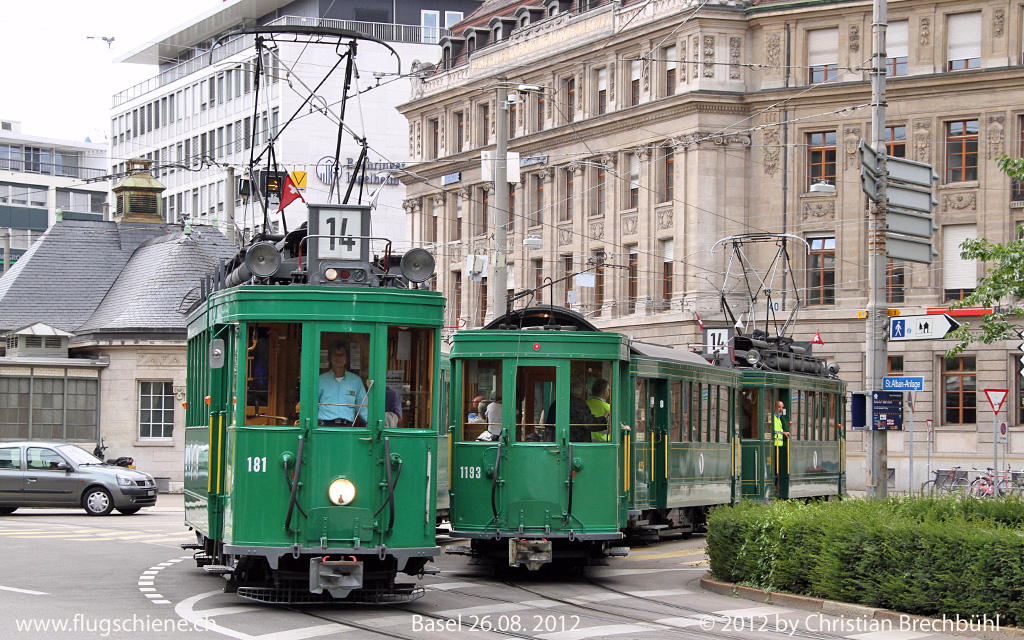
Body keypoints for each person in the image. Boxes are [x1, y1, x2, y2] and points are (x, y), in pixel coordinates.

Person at [318, 340, 369, 426]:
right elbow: (311, 405)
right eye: (335, 354)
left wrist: (372, 424)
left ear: (347, 358)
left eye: (342, 355)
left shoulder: (356, 381)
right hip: (325, 427)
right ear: (330, 358)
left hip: (347, 428)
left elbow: (363, 407)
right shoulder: (320, 380)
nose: (338, 358)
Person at [772, 400, 791, 491]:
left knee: (778, 467)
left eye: (782, 407)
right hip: (773, 445)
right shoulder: (773, 418)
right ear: (775, 407)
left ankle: (777, 486)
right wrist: (783, 432)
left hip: (779, 445)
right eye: (779, 407)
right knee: (775, 467)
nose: (781, 409)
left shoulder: (779, 418)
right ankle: (775, 486)